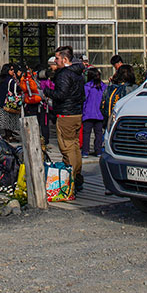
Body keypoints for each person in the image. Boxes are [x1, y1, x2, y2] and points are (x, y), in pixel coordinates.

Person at [49, 45, 86, 194]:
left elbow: (61, 94)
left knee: (67, 147)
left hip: (66, 114)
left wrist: (47, 91)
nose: (55, 62)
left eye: (57, 58)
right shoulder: (78, 73)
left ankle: (70, 179)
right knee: (75, 146)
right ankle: (77, 176)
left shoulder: (64, 74)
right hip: (76, 113)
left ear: (65, 59)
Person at [82, 67, 106, 157]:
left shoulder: (87, 86)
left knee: (86, 134)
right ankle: (98, 151)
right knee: (98, 134)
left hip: (88, 113)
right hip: (99, 114)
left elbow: (84, 100)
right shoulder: (103, 87)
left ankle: (85, 151)